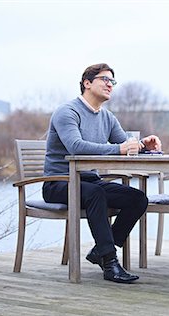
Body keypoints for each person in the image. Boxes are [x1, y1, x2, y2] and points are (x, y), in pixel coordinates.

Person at [43, 63, 162, 284]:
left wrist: (143, 145)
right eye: (104, 79)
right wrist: (120, 149)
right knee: (95, 193)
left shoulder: (106, 116)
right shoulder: (66, 112)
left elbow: (124, 142)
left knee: (137, 198)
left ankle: (101, 250)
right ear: (87, 83)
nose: (110, 85)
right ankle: (110, 263)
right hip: (58, 182)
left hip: (90, 181)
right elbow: (76, 147)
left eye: (113, 81)